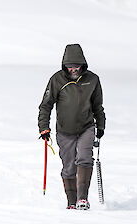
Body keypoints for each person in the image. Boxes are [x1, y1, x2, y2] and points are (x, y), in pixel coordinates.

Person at [38, 44, 106, 210]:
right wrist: (43, 128)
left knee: (84, 157)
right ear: (64, 65)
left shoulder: (92, 79)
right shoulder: (57, 80)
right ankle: (71, 202)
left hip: (86, 127)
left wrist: (101, 126)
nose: (73, 70)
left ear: (82, 64)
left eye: (76, 66)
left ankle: (83, 199)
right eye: (69, 66)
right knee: (68, 166)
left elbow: (98, 106)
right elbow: (46, 105)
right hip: (64, 130)